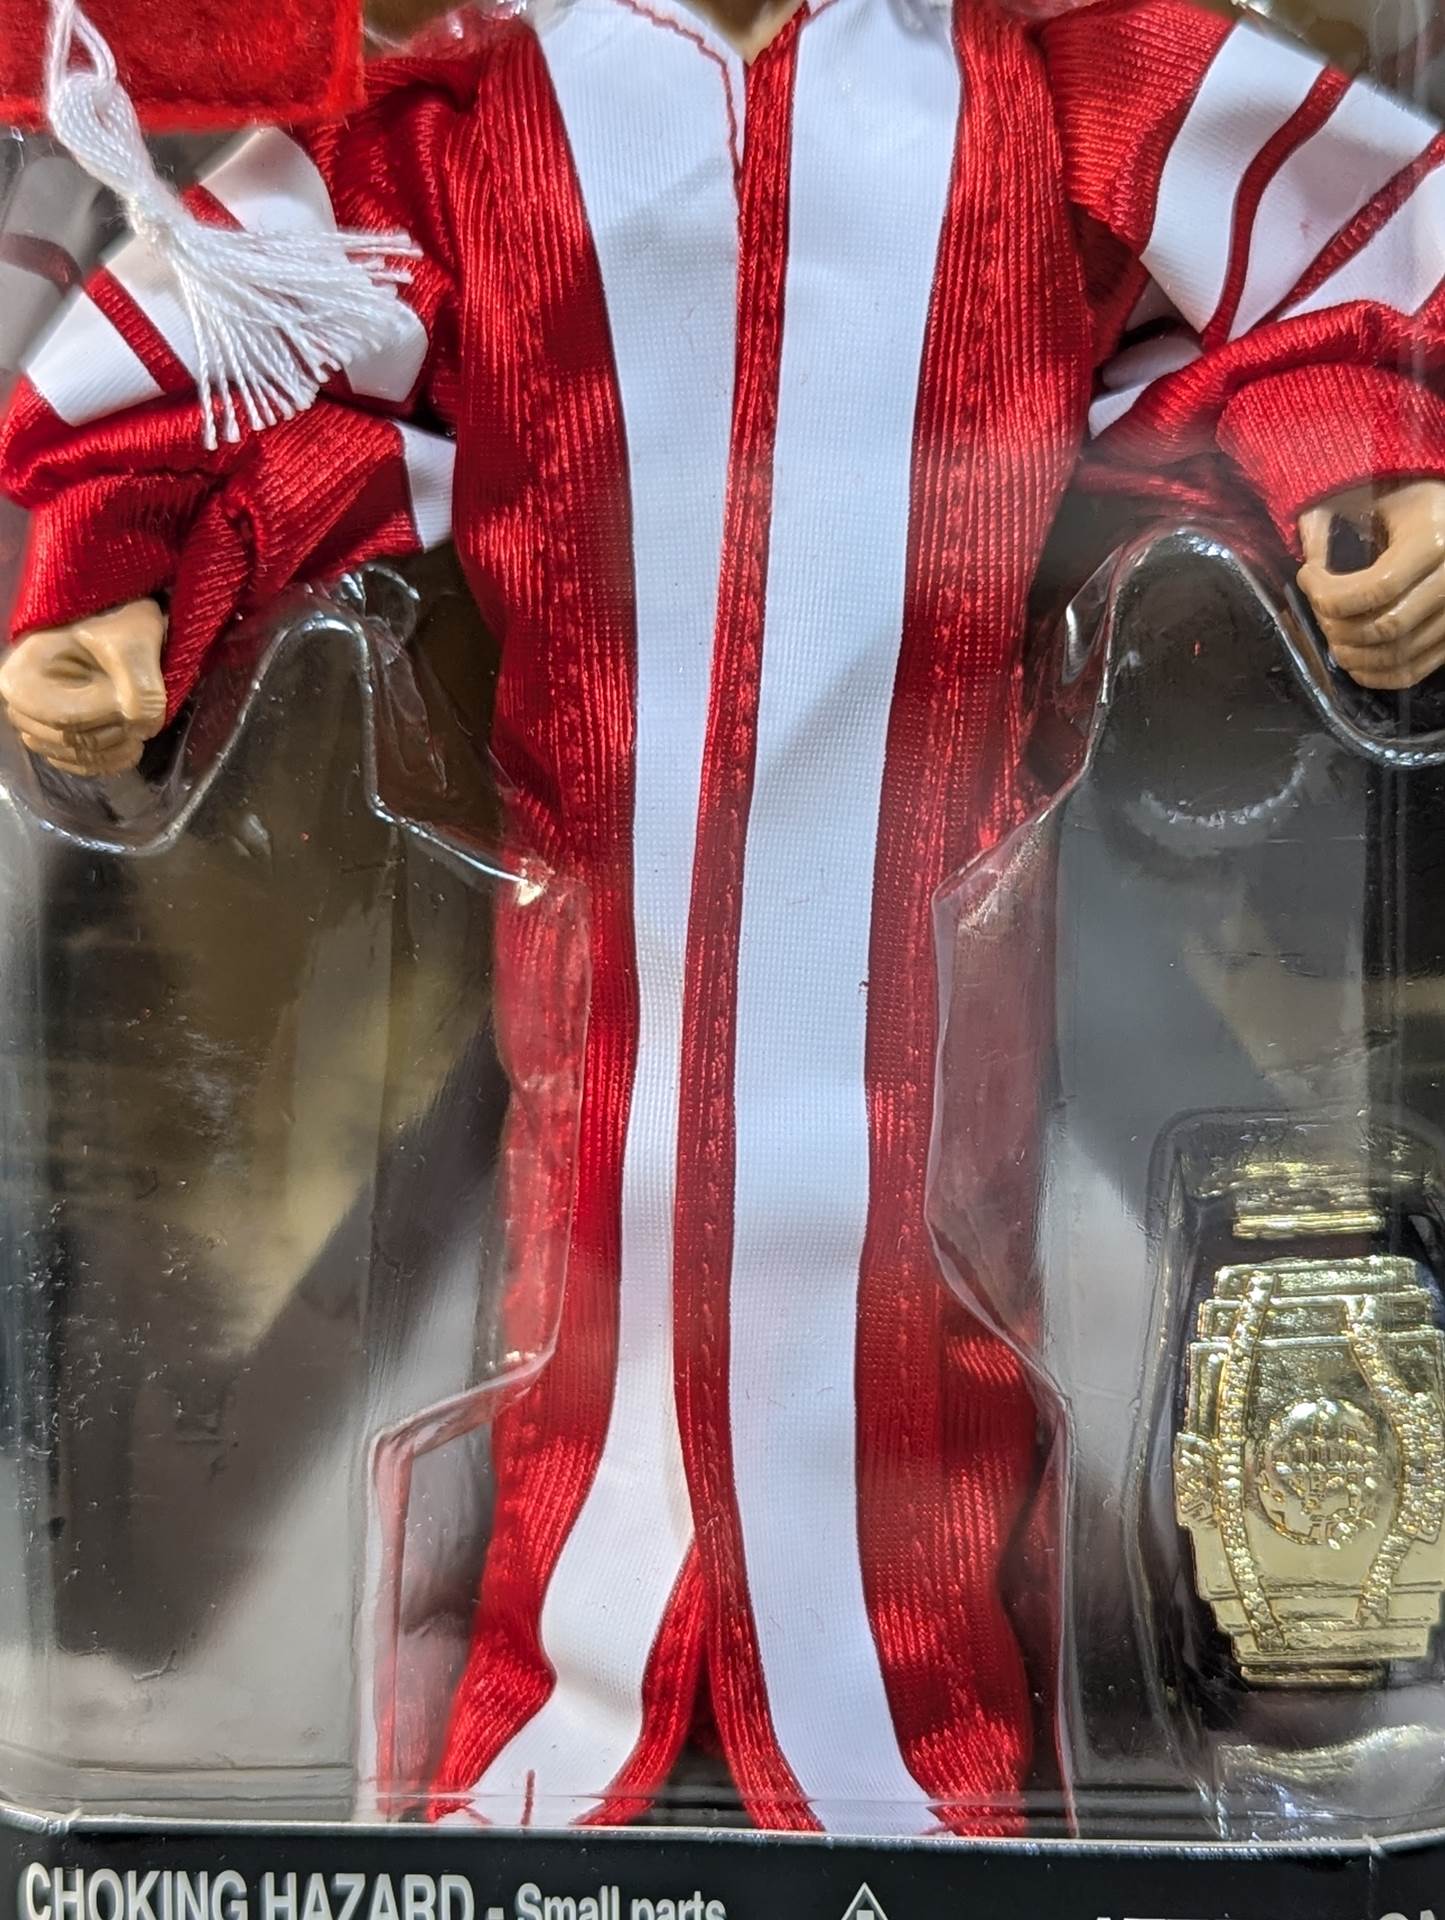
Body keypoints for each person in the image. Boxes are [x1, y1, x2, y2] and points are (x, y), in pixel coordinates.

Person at [4, 0, 1445, 1835]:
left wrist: (1355, 455)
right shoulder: (480, 119)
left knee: (916, 1341)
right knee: (588, 1321)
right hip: (590, 912)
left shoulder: (1054, 86)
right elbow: (217, 354)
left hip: (942, 918)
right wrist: (115, 581)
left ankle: (922, 1749)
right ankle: (547, 1743)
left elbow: (1347, 254)